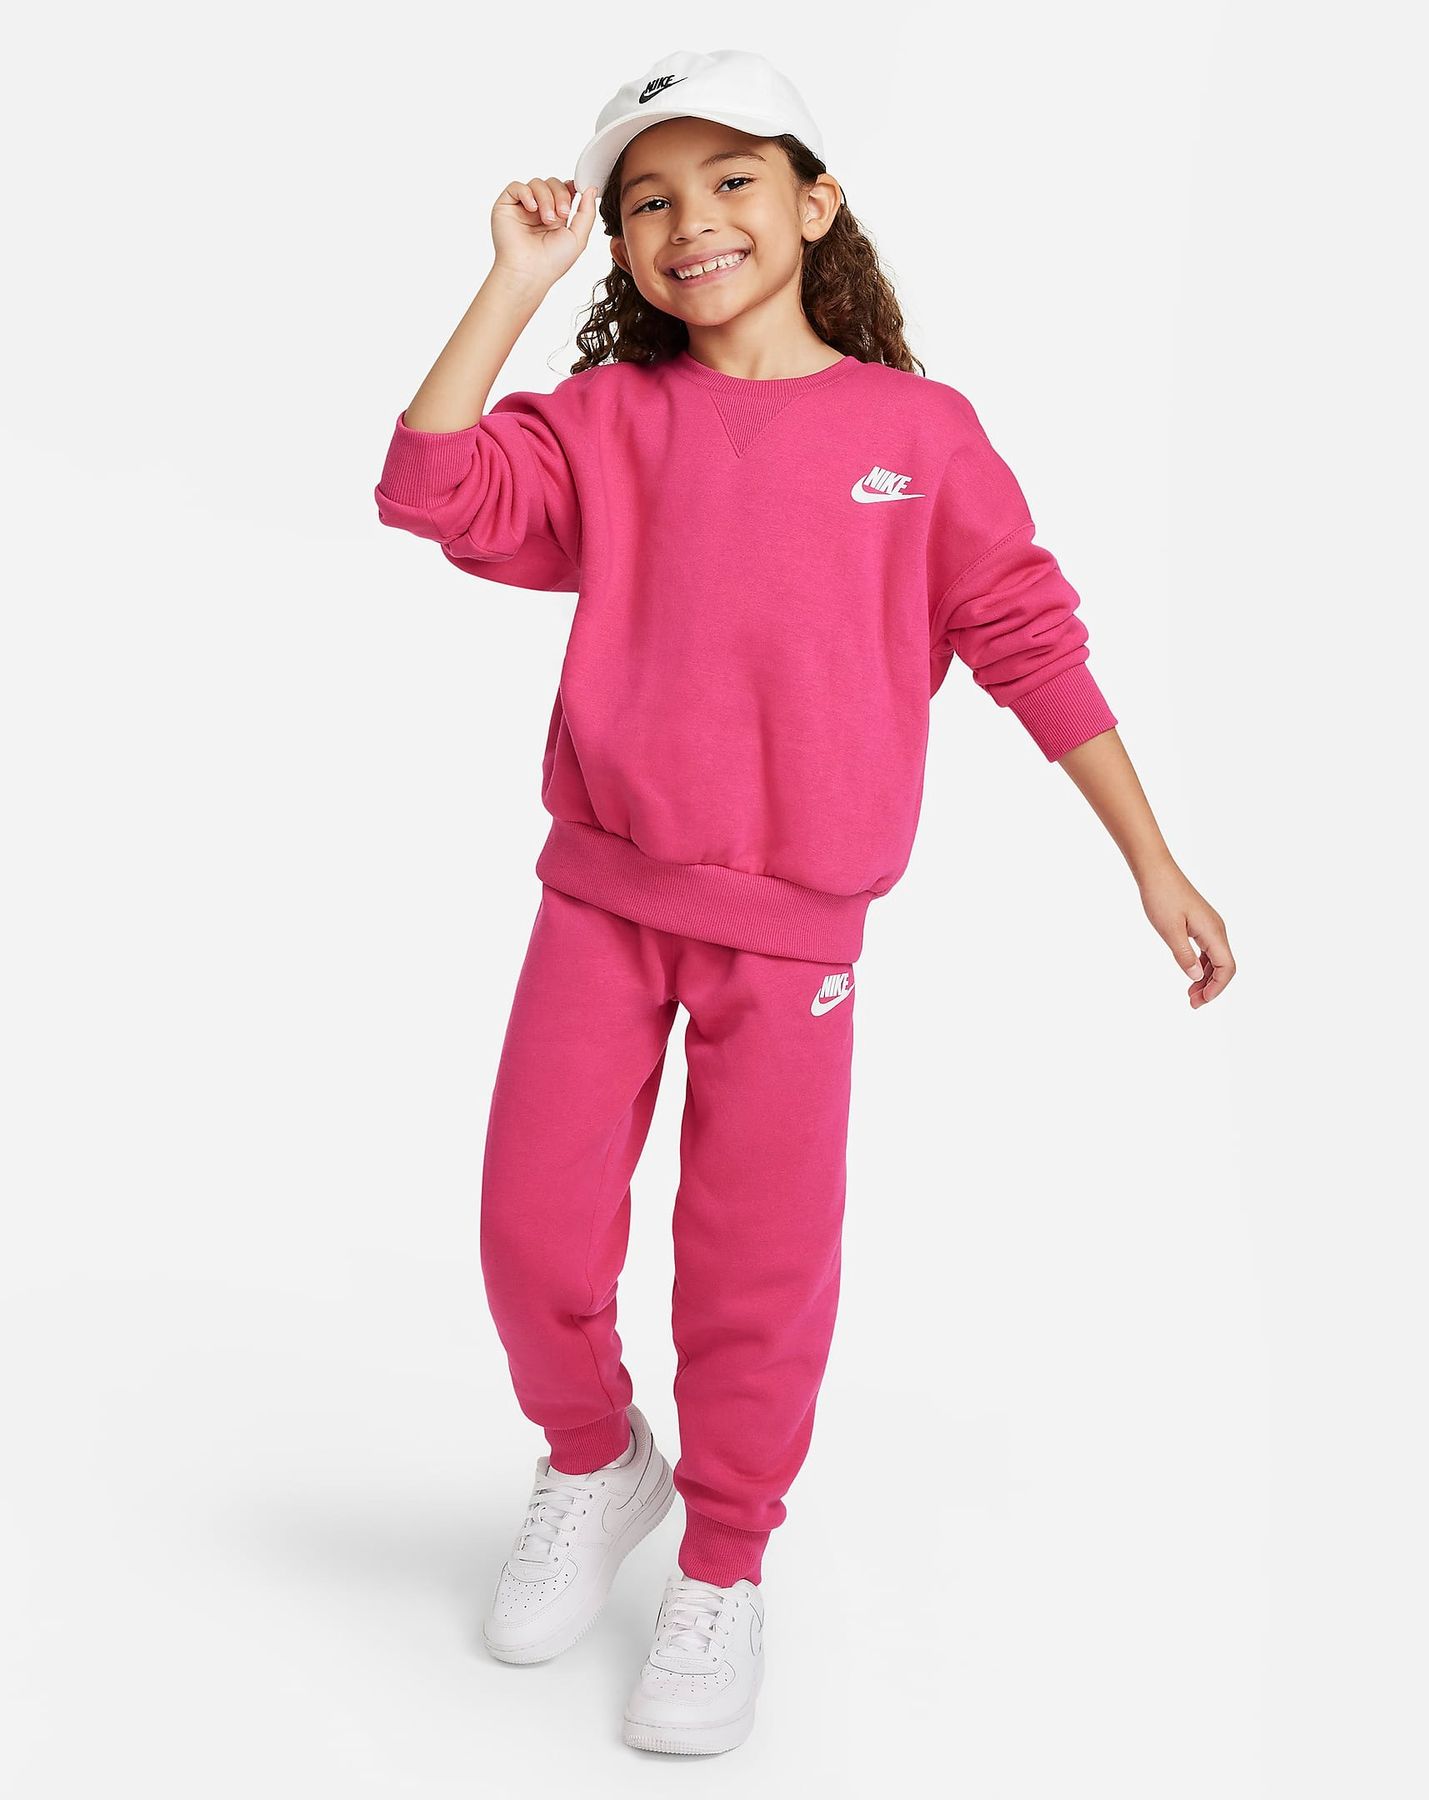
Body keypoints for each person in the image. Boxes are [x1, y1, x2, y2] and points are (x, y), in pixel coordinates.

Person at [373, 47, 1236, 1757]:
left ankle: (725, 1563)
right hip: (600, 898)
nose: (689, 221)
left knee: (752, 1266)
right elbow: (430, 489)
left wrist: (1152, 857)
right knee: (530, 1228)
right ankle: (594, 1460)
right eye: (645, 200)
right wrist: (516, 279)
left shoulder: (920, 437)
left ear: (816, 202)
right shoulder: (609, 421)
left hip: (796, 934)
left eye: (731, 181)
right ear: (619, 242)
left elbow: (1030, 640)